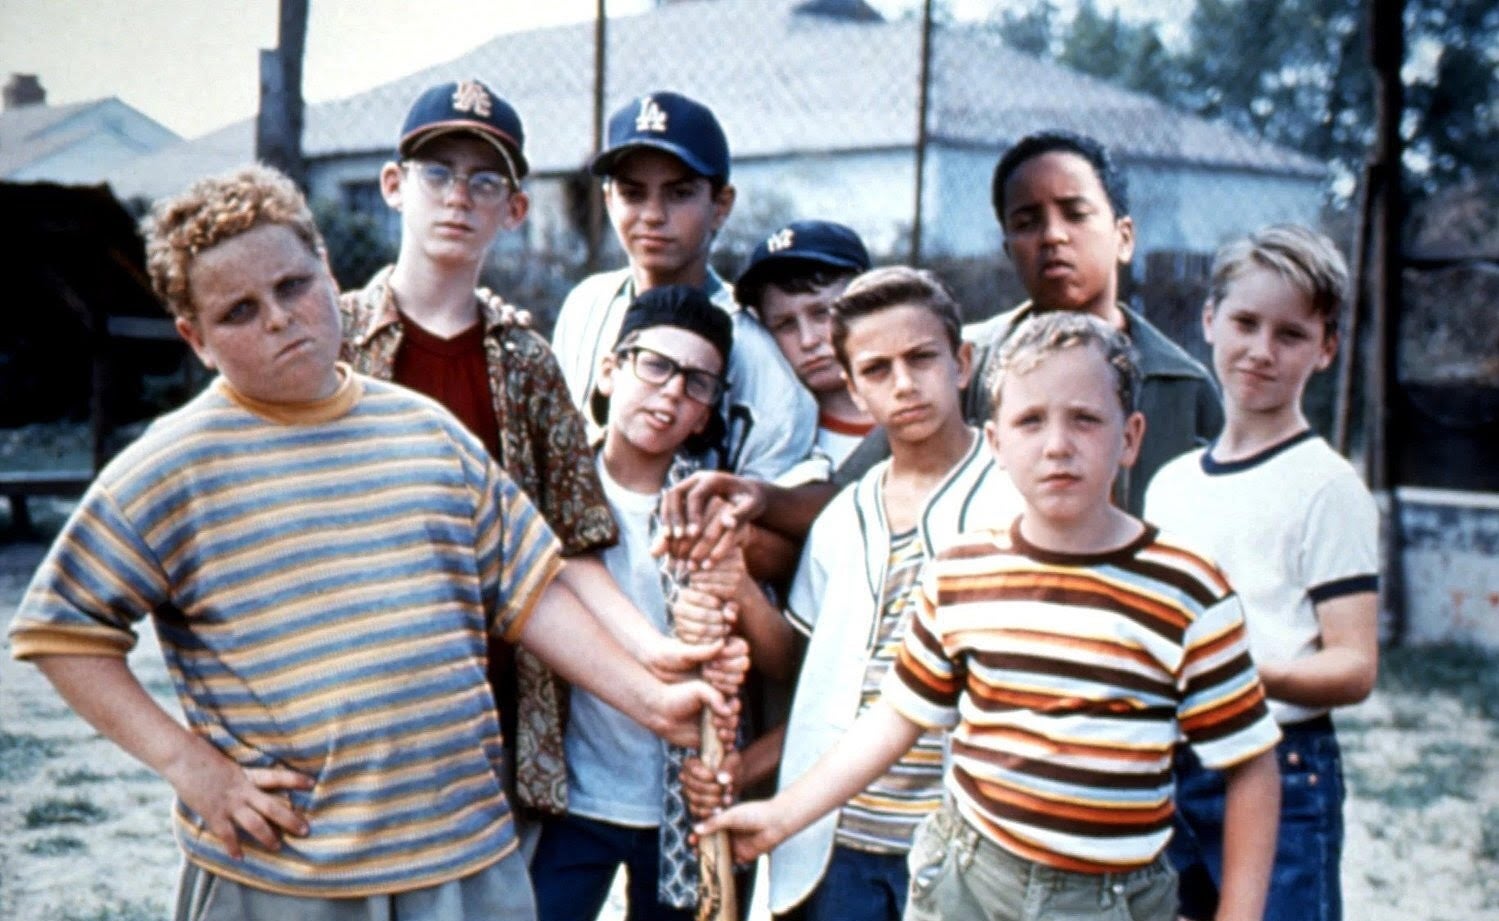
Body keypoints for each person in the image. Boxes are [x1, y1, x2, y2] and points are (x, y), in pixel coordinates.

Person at [7, 164, 732, 921]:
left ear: (328, 269)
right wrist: (191, 767)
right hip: (288, 870)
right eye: (238, 312)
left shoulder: (425, 431)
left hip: (462, 859)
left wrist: (653, 698)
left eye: (292, 285)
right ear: (195, 338)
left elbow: (531, 591)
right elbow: (61, 633)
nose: (280, 319)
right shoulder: (170, 466)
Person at [696, 311, 1284, 921]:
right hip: (970, 884)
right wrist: (784, 812)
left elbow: (1251, 767)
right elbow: (895, 718)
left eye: (1085, 418)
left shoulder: (1186, 588)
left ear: (1131, 437)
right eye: (1031, 421)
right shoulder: (961, 571)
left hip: (1111, 899)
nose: (1058, 445)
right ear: (997, 443)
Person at [341, 78, 670, 833]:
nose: (458, 197)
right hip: (359, 695)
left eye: (484, 180)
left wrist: (652, 658)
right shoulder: (333, 340)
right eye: (437, 173)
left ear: (514, 209)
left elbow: (572, 543)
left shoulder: (526, 363)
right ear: (394, 185)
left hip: (490, 705)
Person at [752, 267, 1020, 920]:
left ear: (961, 362)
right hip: (837, 840)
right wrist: (732, 576)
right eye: (876, 369)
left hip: (963, 842)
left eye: (921, 358)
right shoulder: (844, 517)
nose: (903, 384)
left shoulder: (1016, 500)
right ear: (850, 386)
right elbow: (802, 669)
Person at [529, 284, 787, 921]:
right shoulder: (551, 493)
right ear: (611, 370)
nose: (672, 392)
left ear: (706, 414)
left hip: (680, 806)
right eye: (656, 365)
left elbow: (783, 662)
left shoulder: (712, 511)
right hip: (569, 798)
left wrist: (739, 592)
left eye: (697, 383)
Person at [1145, 225, 1379, 921]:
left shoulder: (1325, 486)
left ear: (1325, 348)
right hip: (1172, 763)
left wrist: (1233, 667)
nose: (1259, 350)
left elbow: (1352, 665)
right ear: (1209, 319)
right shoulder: (1170, 482)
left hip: (1280, 765)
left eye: (1289, 334)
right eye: (1244, 322)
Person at [838, 129, 1223, 515]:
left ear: (1123, 237)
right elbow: (854, 492)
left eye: (1075, 214)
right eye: (1027, 222)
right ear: (1008, 248)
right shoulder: (963, 362)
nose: (1053, 236)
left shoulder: (1184, 387)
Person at [551, 90, 816, 482]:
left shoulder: (759, 355)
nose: (654, 215)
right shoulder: (585, 305)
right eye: (632, 193)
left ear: (721, 204)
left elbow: (773, 525)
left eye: (680, 193)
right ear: (608, 200)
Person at [734, 219, 875, 482]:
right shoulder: (771, 439)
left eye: (823, 313)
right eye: (785, 324)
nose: (808, 340)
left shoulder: (921, 408)